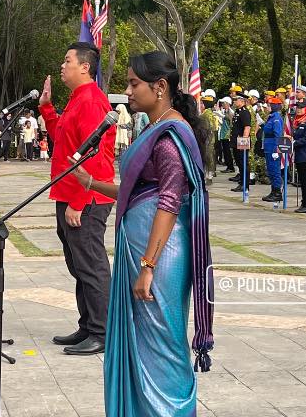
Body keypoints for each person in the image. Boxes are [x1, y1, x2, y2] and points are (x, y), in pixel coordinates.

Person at [67, 51, 213, 416]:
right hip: (146, 252)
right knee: (145, 344)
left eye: (134, 83)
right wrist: (91, 182)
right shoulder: (154, 127)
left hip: (159, 257)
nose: (127, 92)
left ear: (159, 87)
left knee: (162, 346)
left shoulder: (169, 134)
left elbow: (168, 201)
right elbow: (139, 190)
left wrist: (148, 265)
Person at [38, 41, 116, 356]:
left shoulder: (92, 101)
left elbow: (98, 154)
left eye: (67, 60)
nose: (62, 65)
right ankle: (88, 325)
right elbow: (65, 141)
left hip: (87, 198)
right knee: (79, 265)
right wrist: (46, 108)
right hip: (69, 191)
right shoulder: (77, 99)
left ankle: (102, 331)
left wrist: (80, 200)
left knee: (91, 265)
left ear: (85, 66)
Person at [262, 98, 284, 202]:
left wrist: (276, 149)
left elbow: (278, 135)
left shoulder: (276, 118)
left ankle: (277, 192)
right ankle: (273, 191)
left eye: (269, 105)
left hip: (273, 148)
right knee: (270, 170)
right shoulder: (271, 117)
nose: (267, 107)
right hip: (268, 147)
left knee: (275, 170)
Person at [230, 92, 252, 192]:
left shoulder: (244, 112)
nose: (235, 101)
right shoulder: (238, 111)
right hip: (236, 141)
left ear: (242, 101)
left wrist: (243, 142)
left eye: (236, 100)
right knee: (239, 163)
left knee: (243, 163)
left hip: (242, 142)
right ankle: (241, 182)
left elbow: (247, 128)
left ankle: (245, 184)